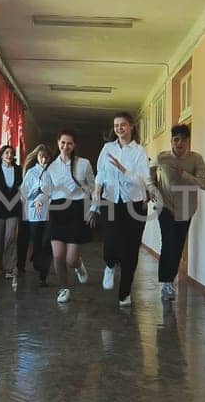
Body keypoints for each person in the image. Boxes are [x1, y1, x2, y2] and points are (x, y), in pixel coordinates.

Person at [95, 111, 156, 307]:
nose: (119, 128)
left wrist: (123, 170)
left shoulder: (139, 151)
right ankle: (110, 264)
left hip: (135, 204)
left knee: (131, 250)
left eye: (123, 125)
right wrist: (97, 191)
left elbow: (143, 180)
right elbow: (101, 173)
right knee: (111, 238)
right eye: (116, 126)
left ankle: (125, 293)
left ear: (131, 127)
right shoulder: (107, 148)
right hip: (111, 200)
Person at [151, 123, 205, 300]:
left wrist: (185, 175)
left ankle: (170, 280)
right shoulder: (162, 158)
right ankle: (166, 283)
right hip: (165, 206)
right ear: (171, 141)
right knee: (168, 242)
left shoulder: (196, 159)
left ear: (188, 142)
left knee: (178, 245)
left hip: (186, 208)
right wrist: (152, 187)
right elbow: (149, 170)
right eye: (176, 139)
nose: (179, 143)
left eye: (183, 140)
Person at [45, 129, 97, 304]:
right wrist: (39, 200)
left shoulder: (84, 164)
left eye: (69, 143)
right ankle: (64, 288)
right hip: (57, 209)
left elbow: (93, 187)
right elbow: (46, 189)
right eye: (63, 142)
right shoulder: (50, 166)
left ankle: (78, 265)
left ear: (74, 145)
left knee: (70, 259)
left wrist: (93, 209)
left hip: (77, 208)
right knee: (58, 256)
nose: (65, 146)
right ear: (58, 143)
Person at [18, 144, 53, 283]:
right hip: (33, 214)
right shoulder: (31, 172)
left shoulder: (52, 172)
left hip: (48, 212)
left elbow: (53, 190)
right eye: (41, 157)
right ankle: (38, 262)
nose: (44, 160)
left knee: (46, 243)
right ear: (37, 157)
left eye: (46, 157)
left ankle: (43, 274)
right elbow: (24, 193)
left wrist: (42, 195)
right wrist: (36, 191)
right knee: (37, 242)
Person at [0, 144, 22, 277]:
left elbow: (21, 186)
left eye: (11, 153)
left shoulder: (18, 169)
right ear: (1, 155)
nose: (9, 155)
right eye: (6, 153)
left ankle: (9, 268)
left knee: (10, 238)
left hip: (13, 207)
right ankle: (1, 265)